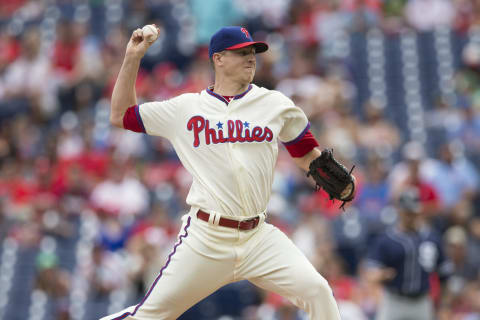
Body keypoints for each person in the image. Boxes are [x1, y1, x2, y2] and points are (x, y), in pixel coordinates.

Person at [101, 25, 354, 320]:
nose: (251, 58)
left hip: (258, 237)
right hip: (207, 238)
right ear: (218, 59)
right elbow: (121, 115)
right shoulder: (186, 109)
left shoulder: (275, 105)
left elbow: (306, 154)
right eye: (241, 53)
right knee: (149, 316)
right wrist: (133, 57)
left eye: (253, 52)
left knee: (318, 292)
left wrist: (336, 178)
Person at [365, 188, 451, 320]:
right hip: (394, 300)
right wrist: (381, 275)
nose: (411, 216)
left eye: (413, 212)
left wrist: (444, 306)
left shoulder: (431, 238)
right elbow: (370, 272)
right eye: (407, 212)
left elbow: (444, 275)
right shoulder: (387, 239)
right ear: (399, 211)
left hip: (422, 302)